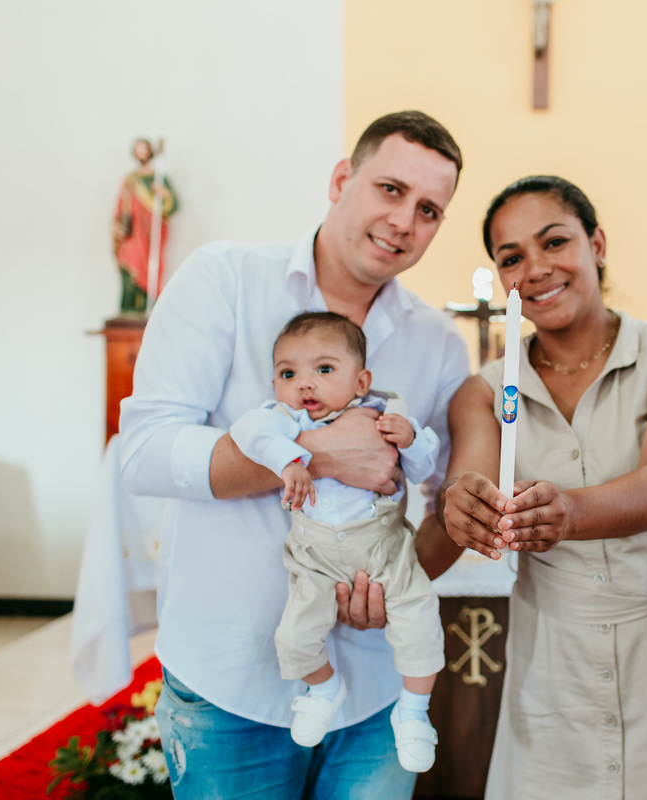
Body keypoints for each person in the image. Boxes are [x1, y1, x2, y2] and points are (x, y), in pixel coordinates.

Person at [120, 111, 469, 799]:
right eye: (390, 190)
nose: (404, 221)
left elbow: (449, 490)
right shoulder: (225, 280)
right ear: (342, 179)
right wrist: (317, 452)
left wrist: (397, 585)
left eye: (429, 210)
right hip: (231, 680)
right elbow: (147, 451)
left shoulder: (436, 341)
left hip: (374, 688)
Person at [424, 176, 647, 799]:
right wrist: (463, 506)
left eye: (554, 241)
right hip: (555, 654)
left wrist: (568, 511)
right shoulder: (484, 391)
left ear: (597, 244)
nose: (535, 268)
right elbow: (472, 478)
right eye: (511, 258)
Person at [228, 311, 443, 771]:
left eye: (323, 370)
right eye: (289, 374)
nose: (305, 384)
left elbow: (425, 471)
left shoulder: (385, 412)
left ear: (361, 379)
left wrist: (412, 439)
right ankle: (323, 687)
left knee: (419, 620)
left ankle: (413, 712)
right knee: (294, 637)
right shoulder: (283, 420)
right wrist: (290, 461)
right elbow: (248, 434)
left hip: (385, 547)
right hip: (316, 557)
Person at [112, 138, 179, 315]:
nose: (141, 153)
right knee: (129, 263)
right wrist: (119, 226)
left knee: (150, 268)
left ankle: (148, 306)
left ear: (150, 152)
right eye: (138, 150)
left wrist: (164, 194)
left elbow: (173, 206)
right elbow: (121, 206)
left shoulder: (159, 179)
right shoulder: (130, 180)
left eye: (144, 150)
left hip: (150, 234)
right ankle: (129, 309)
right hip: (133, 234)